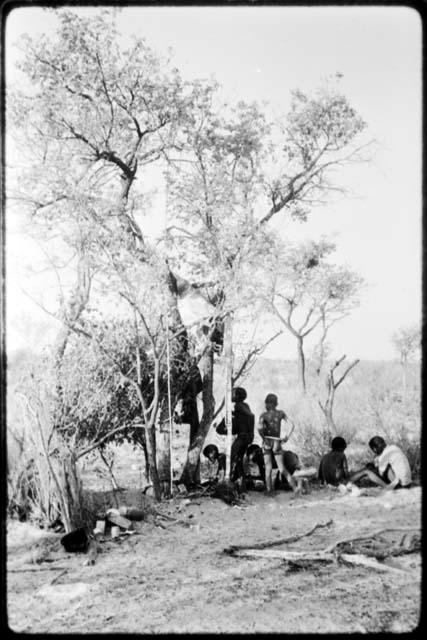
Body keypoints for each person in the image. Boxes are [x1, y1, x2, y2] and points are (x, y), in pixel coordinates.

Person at [258, 393, 297, 493]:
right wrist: (287, 437)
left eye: (266, 403)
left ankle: (269, 490)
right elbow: (292, 424)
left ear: (268, 403)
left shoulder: (264, 415)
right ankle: (295, 488)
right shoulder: (280, 413)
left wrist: (264, 438)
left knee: (268, 467)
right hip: (277, 441)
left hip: (267, 441)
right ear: (276, 404)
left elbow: (259, 428)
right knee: (282, 468)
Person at [216, 387, 255, 482]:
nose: (231, 395)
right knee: (238, 458)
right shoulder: (243, 407)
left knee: (231, 457)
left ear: (237, 396)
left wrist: (232, 414)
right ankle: (240, 480)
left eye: (233, 393)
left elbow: (250, 416)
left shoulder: (239, 406)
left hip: (242, 437)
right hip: (245, 436)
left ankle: (228, 478)